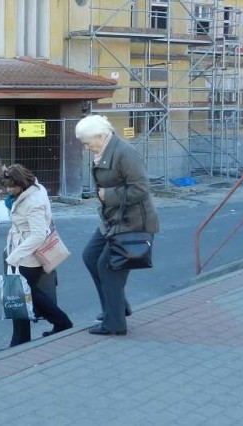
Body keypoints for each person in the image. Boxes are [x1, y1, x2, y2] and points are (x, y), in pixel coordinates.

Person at [75, 115, 159, 336]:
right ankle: (116, 307)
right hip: (112, 219)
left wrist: (108, 194)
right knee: (90, 256)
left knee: (108, 266)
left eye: (86, 142)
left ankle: (115, 323)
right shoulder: (104, 150)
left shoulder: (125, 152)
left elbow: (141, 188)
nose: (85, 147)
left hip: (133, 221)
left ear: (101, 136)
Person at [2, 164, 73, 347]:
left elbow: (38, 235)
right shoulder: (31, 189)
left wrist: (15, 256)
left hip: (29, 255)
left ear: (22, 183)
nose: (8, 190)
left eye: (12, 186)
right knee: (29, 295)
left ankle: (21, 340)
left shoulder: (33, 202)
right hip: (23, 250)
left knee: (19, 295)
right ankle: (60, 323)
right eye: (7, 186)